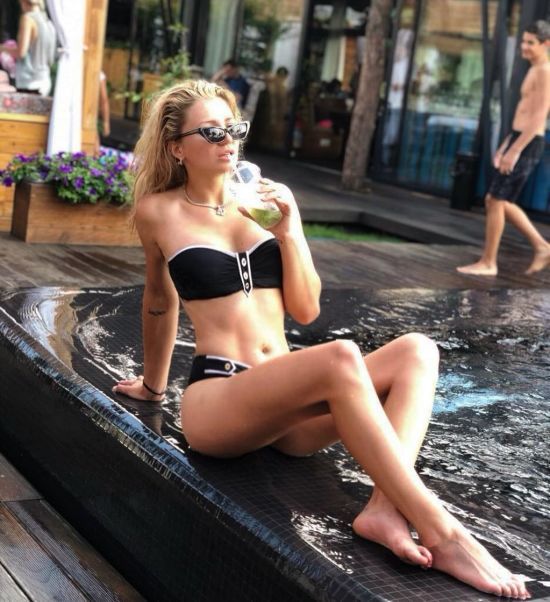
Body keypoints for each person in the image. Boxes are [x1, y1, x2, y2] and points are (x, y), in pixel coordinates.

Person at [113, 79, 529, 599]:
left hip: (290, 405)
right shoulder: (158, 211)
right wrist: (153, 388)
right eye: (212, 132)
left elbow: (307, 309)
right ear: (177, 147)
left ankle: (384, 509)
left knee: (417, 351)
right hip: (221, 399)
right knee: (340, 357)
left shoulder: (262, 202)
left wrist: (291, 232)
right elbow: (159, 300)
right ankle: (445, 535)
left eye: (233, 128)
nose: (228, 141)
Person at [457, 20, 550, 276]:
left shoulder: (545, 71)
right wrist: (506, 144)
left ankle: (489, 262)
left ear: (546, 44)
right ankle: (542, 247)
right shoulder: (535, 68)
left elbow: (538, 116)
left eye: (531, 43)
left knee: (495, 199)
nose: (524, 46)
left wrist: (515, 150)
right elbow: (524, 113)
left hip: (529, 142)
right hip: (520, 138)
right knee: (497, 200)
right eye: (523, 41)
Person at [0, 0, 56, 96]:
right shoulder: (48, 22)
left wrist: (3, 48)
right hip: (45, 80)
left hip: (30, 81)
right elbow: (51, 58)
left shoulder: (28, 19)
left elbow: (21, 52)